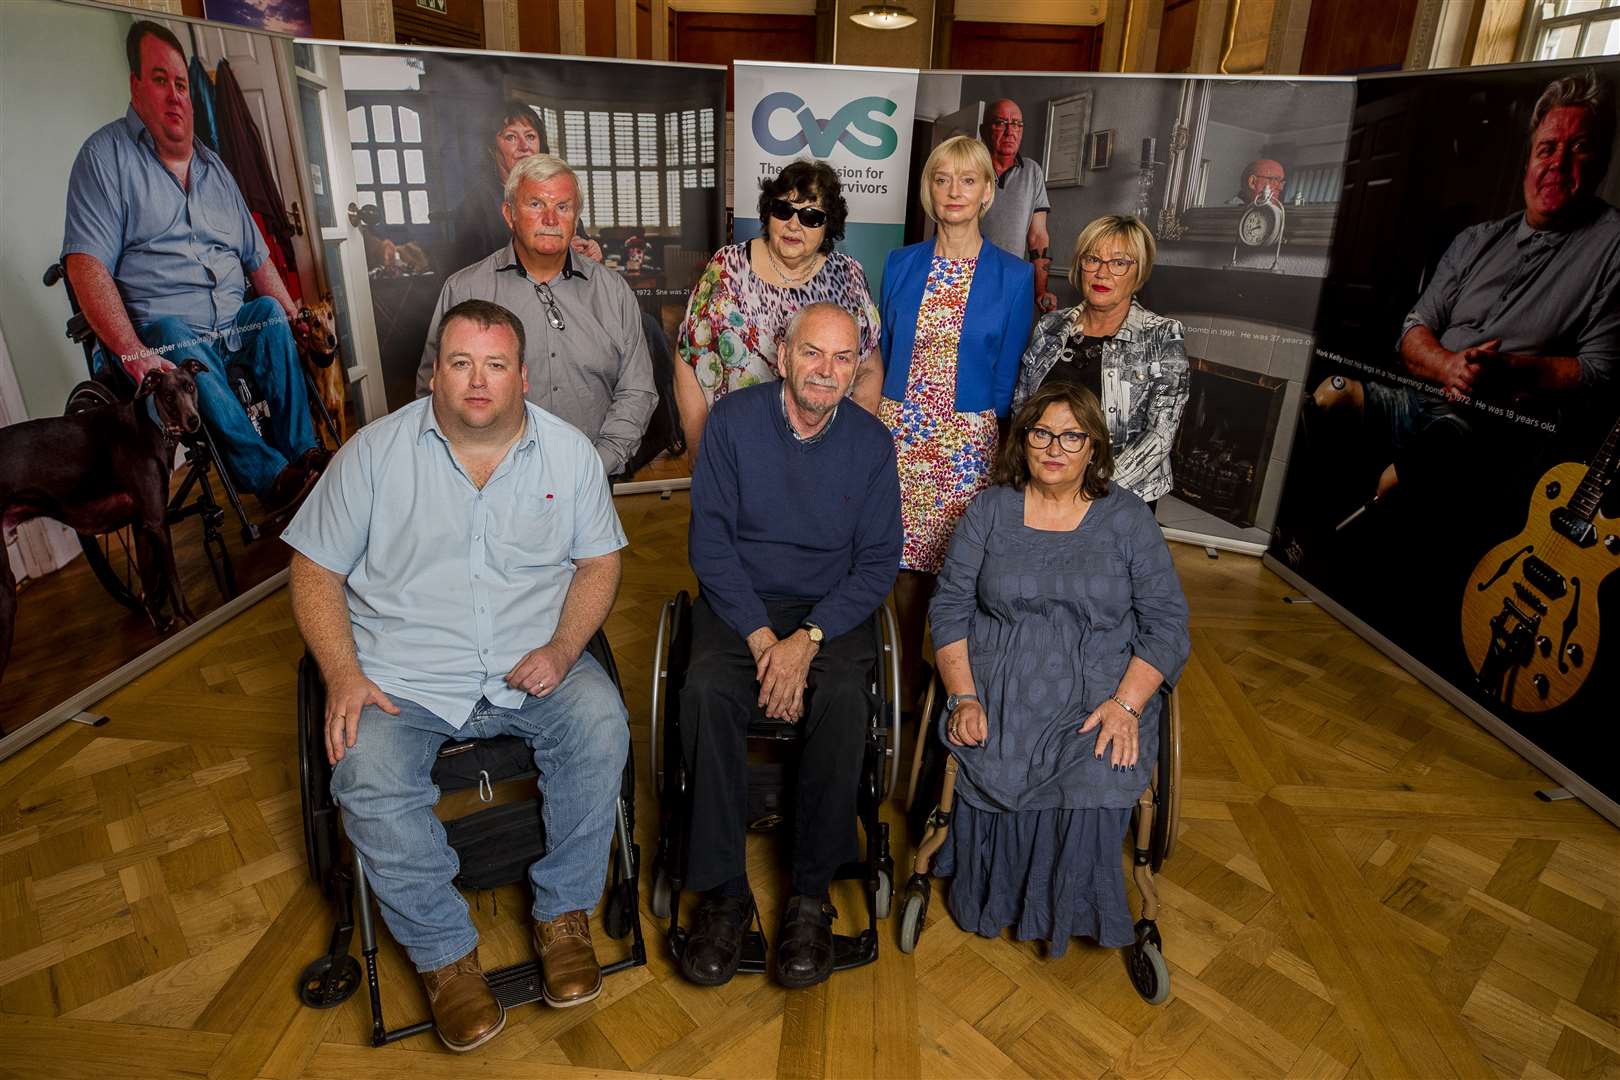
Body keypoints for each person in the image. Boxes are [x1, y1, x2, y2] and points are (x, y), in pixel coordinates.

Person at [285, 299, 630, 1051]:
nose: (479, 381)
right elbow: (312, 570)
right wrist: (342, 674)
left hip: (532, 660)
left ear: (523, 377)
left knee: (602, 721)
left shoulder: (568, 455)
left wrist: (568, 648)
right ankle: (446, 958)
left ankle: (562, 916)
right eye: (461, 362)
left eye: (496, 365)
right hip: (405, 676)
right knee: (366, 771)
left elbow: (600, 561)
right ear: (435, 372)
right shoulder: (373, 455)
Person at [677, 302, 901, 990]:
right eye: (812, 354)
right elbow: (710, 545)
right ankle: (723, 893)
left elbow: (877, 561)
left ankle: (808, 895)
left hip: (829, 607)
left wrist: (807, 638)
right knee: (707, 688)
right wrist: (761, 637)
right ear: (783, 353)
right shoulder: (734, 424)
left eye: (842, 359)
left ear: (856, 366)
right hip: (742, 598)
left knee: (839, 693)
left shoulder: (869, 444)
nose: (826, 372)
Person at [929, 381, 1189, 956]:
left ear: (1094, 448)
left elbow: (1168, 623)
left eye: (1073, 436)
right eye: (1041, 432)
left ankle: (1075, 904)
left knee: (1097, 768)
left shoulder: (1125, 519)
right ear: (1022, 442)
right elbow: (949, 607)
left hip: (1101, 686)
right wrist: (963, 696)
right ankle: (997, 895)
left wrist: (1126, 706)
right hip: (1001, 678)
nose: (1055, 448)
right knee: (995, 753)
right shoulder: (990, 510)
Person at [1312, 71, 1620, 499]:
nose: (1557, 164)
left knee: (1397, 481)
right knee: (1328, 396)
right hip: (1419, 397)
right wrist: (1449, 366)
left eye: (1579, 149)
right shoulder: (1476, 239)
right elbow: (1414, 328)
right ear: (1528, 163)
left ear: (1602, 162)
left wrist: (1509, 370)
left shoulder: (1613, 246)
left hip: (1488, 424)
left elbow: (1599, 372)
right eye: (1546, 149)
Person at [62, 20, 321, 513]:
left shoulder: (215, 168)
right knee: (170, 330)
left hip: (232, 327)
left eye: (181, 84)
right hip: (172, 342)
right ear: (136, 84)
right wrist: (132, 352)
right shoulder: (104, 158)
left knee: (267, 310)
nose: (176, 95)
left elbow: (256, 257)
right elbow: (85, 265)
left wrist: (292, 312)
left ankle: (302, 457)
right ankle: (269, 479)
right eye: (160, 80)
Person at [878, 134, 1034, 715]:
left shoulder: (1014, 278)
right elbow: (885, 353)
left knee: (961, 565)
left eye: (968, 180)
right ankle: (900, 682)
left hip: (967, 442)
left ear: (987, 192)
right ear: (928, 189)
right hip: (900, 434)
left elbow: (1008, 378)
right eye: (942, 179)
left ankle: (956, 688)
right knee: (899, 566)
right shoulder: (900, 263)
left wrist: (993, 449)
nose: (954, 192)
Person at [417, 154, 656, 478]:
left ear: (576, 217)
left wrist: (600, 462)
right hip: (488, 482)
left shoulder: (612, 290)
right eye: (535, 204)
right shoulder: (464, 289)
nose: (550, 218)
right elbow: (432, 388)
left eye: (563, 207)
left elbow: (637, 388)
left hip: (590, 477)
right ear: (509, 214)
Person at [676, 160, 881, 455]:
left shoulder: (848, 276)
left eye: (811, 216)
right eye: (784, 210)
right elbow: (687, 359)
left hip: (822, 453)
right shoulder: (726, 269)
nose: (794, 225)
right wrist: (699, 450)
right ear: (769, 213)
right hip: (735, 448)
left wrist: (849, 449)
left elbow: (869, 369)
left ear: (828, 226)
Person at [1012, 215, 1189, 505]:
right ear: (1080, 265)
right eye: (1093, 259)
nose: (1102, 274)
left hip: (1118, 498)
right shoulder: (1051, 326)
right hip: (1043, 488)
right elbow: (1022, 407)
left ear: (1139, 272)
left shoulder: (1162, 335)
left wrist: (1091, 490)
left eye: (1119, 263)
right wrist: (1037, 475)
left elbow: (1160, 434)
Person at [445, 100, 604, 276]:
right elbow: (472, 276)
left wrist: (589, 249)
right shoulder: (474, 207)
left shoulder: (559, 196)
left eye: (530, 136)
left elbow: (577, 243)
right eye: (511, 137)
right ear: (491, 148)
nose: (524, 147)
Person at [977, 100, 1056, 313]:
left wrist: (1040, 290)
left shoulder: (1032, 172)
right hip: (971, 282)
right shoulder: (971, 167)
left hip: (1012, 285)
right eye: (1001, 123)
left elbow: (1038, 236)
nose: (1010, 131)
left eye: (1017, 124)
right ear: (984, 130)